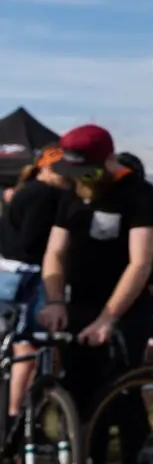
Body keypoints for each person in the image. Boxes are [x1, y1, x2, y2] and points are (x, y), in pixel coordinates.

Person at [40, 126, 153, 464]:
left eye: (88, 173)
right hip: (78, 311)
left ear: (107, 161)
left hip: (123, 315)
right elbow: (55, 254)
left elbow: (140, 262)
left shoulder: (139, 194)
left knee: (125, 405)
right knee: (78, 402)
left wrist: (110, 318)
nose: (82, 182)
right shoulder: (71, 195)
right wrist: (56, 300)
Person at [0, 147, 71, 422]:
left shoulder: (28, 189)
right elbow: (29, 241)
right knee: (27, 346)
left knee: (21, 346)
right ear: (46, 168)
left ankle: (20, 414)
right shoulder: (44, 194)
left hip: (12, 272)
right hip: (25, 276)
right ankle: (17, 414)